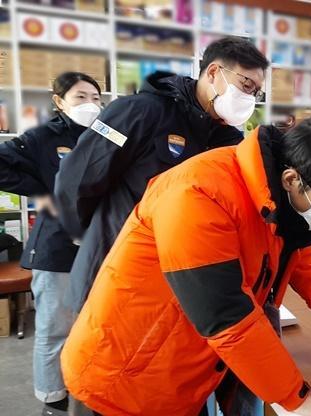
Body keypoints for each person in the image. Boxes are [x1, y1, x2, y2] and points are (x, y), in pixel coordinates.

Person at [61, 119, 311, 415]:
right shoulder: (198, 194)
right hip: (123, 377)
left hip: (180, 373)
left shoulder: (280, 205)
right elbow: (227, 315)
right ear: (291, 179)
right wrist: (298, 397)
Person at [54, 36, 268, 313]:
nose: (249, 98)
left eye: (255, 92)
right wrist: (89, 235)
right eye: (246, 85)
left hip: (179, 281)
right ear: (214, 72)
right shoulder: (140, 112)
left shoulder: (228, 140)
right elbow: (78, 177)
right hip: (116, 269)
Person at [0, 72, 102, 416]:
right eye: (80, 97)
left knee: (94, 326)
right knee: (55, 329)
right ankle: (53, 399)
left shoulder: (106, 135)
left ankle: (88, 389)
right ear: (59, 101)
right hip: (57, 249)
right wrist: (43, 190)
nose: (90, 104)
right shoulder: (44, 137)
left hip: (98, 247)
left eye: (96, 98)